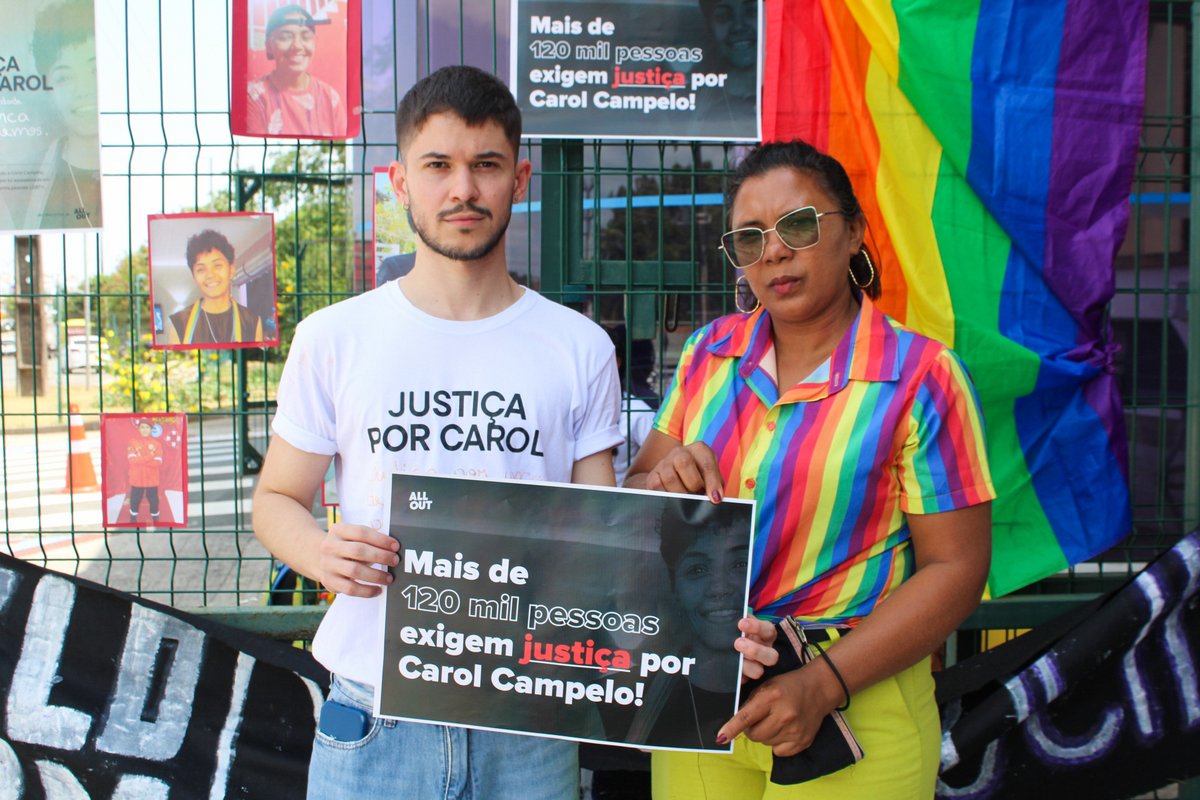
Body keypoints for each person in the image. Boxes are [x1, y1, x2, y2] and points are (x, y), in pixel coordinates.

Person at [252, 65, 622, 799]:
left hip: (529, 718)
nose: (463, 190)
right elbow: (276, 499)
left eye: (486, 166)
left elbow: (598, 534)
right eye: (439, 166)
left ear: (519, 177)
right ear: (399, 180)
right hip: (374, 714)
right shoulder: (335, 337)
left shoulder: (580, 347)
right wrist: (321, 552)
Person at [625, 140, 994, 798]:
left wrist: (823, 683)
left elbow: (957, 568)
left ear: (853, 232)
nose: (774, 251)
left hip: (857, 702)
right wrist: (662, 479)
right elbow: (637, 498)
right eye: (749, 237)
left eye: (799, 225)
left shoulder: (922, 379)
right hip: (705, 695)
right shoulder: (710, 353)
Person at [1, 0, 103, 231]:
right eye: (64, 77)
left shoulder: (128, 172)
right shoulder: (22, 188)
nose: (83, 90)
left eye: (94, 70)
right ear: (49, 90)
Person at [245, 4, 347, 138]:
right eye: (286, 37)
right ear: (269, 46)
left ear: (314, 42)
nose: (297, 46)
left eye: (305, 37)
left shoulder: (330, 98)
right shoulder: (253, 96)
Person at [167, 229, 265, 345]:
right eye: (201, 269)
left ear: (231, 270)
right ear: (194, 277)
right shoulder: (178, 323)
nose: (210, 275)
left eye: (217, 265)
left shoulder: (253, 322)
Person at [126, 420, 162, 527]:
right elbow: (132, 460)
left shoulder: (157, 444)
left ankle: (156, 518)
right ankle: (133, 518)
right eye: (142, 427)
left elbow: (158, 462)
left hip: (152, 477)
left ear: (151, 429)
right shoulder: (132, 442)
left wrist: (140, 459)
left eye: (147, 427)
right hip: (137, 477)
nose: (145, 430)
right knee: (135, 498)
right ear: (139, 429)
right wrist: (150, 456)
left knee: (153, 499)